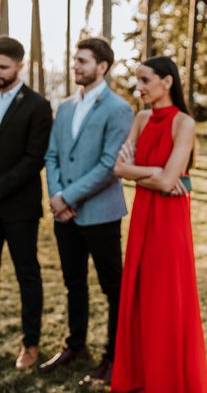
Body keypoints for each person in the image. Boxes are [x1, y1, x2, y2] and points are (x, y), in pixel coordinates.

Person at [110, 56, 207, 393]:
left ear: (166, 81)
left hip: (170, 221)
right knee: (140, 291)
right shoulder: (141, 119)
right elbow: (118, 169)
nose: (138, 87)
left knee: (167, 295)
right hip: (144, 213)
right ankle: (140, 373)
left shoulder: (183, 123)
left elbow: (171, 177)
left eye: (145, 80)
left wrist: (149, 174)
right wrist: (152, 174)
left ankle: (168, 378)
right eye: (137, 81)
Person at [41, 38, 134, 385]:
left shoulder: (119, 109)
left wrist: (69, 197)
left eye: (83, 61)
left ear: (103, 67)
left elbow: (111, 164)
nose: (75, 66)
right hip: (65, 215)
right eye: (74, 60)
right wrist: (56, 196)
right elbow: (52, 156)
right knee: (73, 283)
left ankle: (113, 356)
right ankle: (75, 346)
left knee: (113, 287)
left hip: (101, 214)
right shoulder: (64, 107)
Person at [0, 36, 52, 370]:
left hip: (20, 208)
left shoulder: (37, 105)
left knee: (27, 277)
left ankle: (30, 344)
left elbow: (35, 159)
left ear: (19, 65)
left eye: (3, 67)